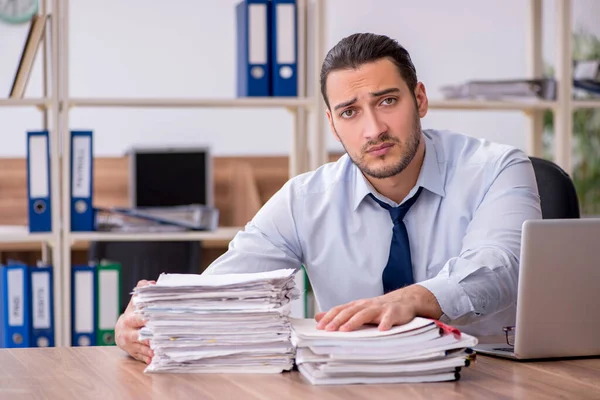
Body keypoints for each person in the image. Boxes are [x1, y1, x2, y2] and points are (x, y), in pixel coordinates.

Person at [115, 32, 542, 364]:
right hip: (354, 382)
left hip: (490, 376)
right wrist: (150, 320)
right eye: (350, 112)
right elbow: (227, 287)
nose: (373, 129)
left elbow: (503, 266)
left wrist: (414, 298)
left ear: (420, 99)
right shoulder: (305, 199)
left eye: (388, 101)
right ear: (333, 124)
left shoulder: (497, 168)